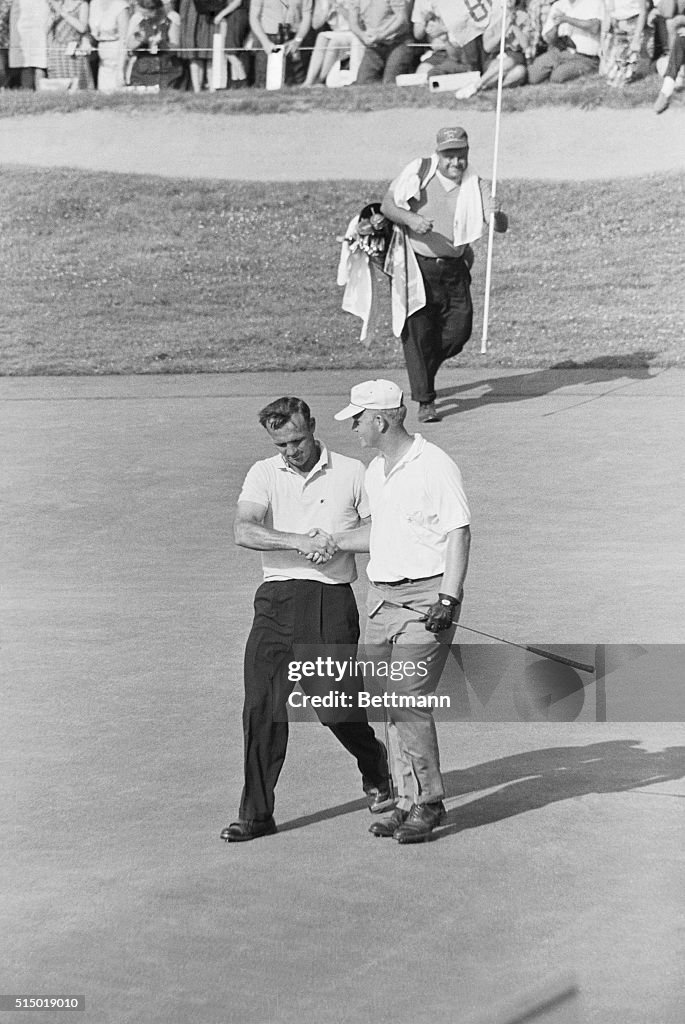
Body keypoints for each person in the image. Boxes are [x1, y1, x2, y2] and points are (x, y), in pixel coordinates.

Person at [220, 396, 392, 843]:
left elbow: (380, 532)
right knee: (261, 706)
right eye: (282, 444)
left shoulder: (354, 471)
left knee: (334, 710)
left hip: (330, 601)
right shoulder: (264, 472)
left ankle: (374, 763)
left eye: (297, 439)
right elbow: (245, 530)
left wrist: (335, 542)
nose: (292, 451)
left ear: (313, 426)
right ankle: (257, 814)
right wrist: (299, 540)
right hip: (275, 599)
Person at [332, 379, 471, 844]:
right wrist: (325, 542)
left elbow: (459, 532)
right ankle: (406, 800)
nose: (352, 426)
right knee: (386, 699)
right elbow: (380, 536)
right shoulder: (376, 470)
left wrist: (448, 598)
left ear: (381, 418)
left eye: (357, 418)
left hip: (426, 599)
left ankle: (429, 802)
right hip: (381, 599)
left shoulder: (434, 465)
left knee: (407, 698)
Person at [379, 126, 508, 424]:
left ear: (467, 154)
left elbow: (498, 225)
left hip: (455, 267)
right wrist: (411, 218)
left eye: (461, 155)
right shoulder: (419, 172)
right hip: (416, 266)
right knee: (418, 333)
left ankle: (422, 370)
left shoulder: (478, 184)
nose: (456, 163)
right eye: (449, 155)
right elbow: (388, 206)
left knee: (459, 332)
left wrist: (498, 214)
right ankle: (425, 400)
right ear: (439, 154)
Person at [527, 0, 604, 83]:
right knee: (533, 77)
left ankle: (589, 68)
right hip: (559, 52)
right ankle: (554, 69)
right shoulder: (558, 5)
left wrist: (567, 19)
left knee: (557, 77)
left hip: (584, 57)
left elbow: (594, 27)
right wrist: (556, 25)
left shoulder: (594, 3)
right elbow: (549, 37)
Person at [346, 0, 417, 84]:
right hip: (374, 46)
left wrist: (382, 35)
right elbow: (353, 23)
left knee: (390, 82)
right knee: (362, 83)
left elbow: (402, 19)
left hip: (399, 42)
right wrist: (363, 36)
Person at [249, 0, 314, 87]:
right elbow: (253, 17)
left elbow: (307, 16)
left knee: (294, 82)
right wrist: (265, 42)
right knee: (265, 82)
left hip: (294, 38)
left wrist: (297, 40)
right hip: (267, 37)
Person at [125, 0, 184, 87]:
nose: (145, 16)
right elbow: (129, 45)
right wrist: (140, 39)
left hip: (167, 72)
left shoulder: (170, 23)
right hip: (143, 73)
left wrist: (162, 43)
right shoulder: (140, 23)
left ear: (156, 10)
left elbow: (175, 47)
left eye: (147, 13)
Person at [46, 0, 94, 88]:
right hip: (58, 52)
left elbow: (82, 28)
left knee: (77, 86)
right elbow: (46, 30)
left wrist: (62, 12)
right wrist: (52, 16)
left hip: (74, 52)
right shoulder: (59, 4)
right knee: (59, 87)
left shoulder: (82, 4)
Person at [599, 0, 646, 86]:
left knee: (622, 80)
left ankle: (629, 71)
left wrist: (636, 38)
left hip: (632, 26)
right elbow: (606, 13)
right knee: (608, 74)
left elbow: (643, 11)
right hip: (616, 27)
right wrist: (602, 42)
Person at [89, 0, 131, 91]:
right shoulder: (94, 3)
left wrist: (120, 70)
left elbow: (124, 39)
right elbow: (92, 32)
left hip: (118, 59)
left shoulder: (121, 6)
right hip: (102, 61)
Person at [8, 0, 51, 88]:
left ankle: (41, 91)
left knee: (40, 57)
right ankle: (27, 90)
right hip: (21, 13)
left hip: (40, 12)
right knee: (24, 59)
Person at [213, 0, 249, 87]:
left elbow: (237, 2)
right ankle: (235, 82)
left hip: (237, 16)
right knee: (234, 51)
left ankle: (243, 79)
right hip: (235, 16)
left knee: (229, 52)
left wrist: (220, 15)